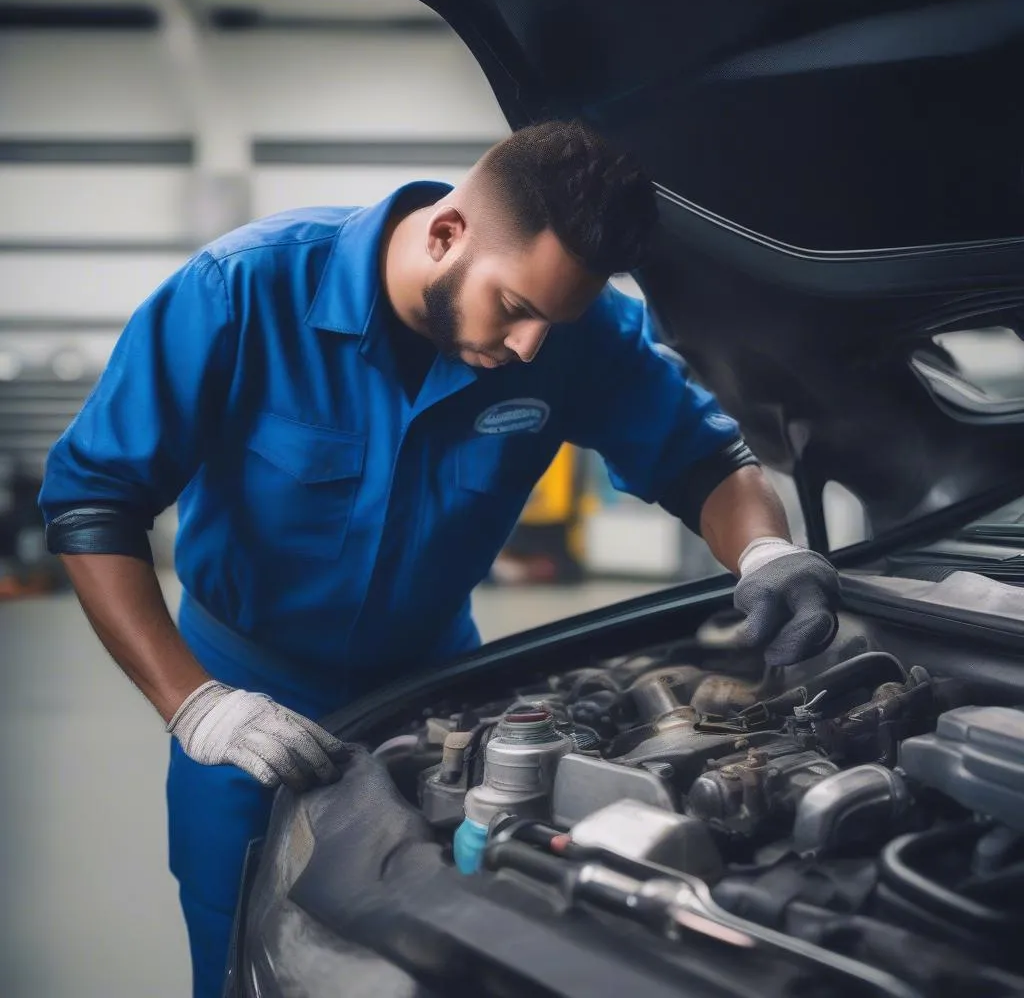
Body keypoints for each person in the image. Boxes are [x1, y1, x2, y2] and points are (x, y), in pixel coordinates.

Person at [38, 119, 840, 997]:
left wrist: (764, 550)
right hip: (241, 687)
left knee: (446, 951)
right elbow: (91, 502)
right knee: (236, 947)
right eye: (518, 309)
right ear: (447, 235)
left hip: (435, 690)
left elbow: (705, 459)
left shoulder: (582, 335)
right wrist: (196, 705)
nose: (531, 347)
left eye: (553, 322)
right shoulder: (241, 291)